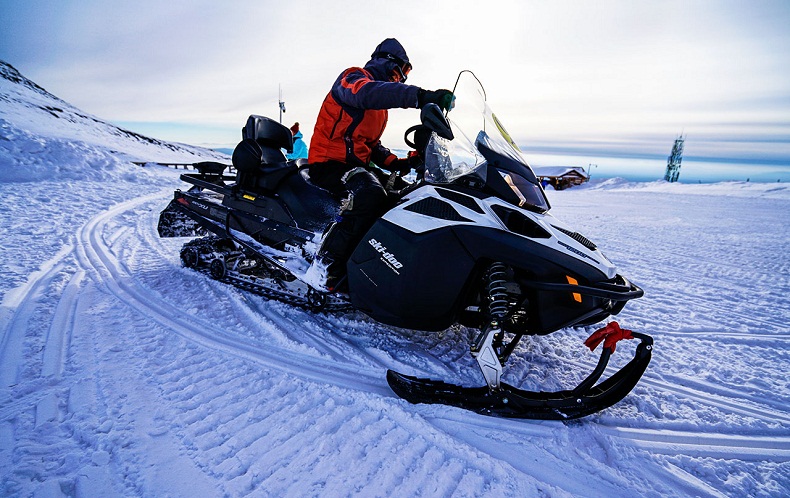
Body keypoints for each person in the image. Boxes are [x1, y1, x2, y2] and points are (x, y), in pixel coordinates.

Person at [307, 38, 454, 291]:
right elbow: (367, 92)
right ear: (386, 62)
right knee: (370, 195)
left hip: (355, 167)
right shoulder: (353, 80)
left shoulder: (378, 106)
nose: (401, 79)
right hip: (329, 163)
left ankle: (378, 264)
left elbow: (371, 145)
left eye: (405, 75)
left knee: (407, 194)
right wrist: (420, 96)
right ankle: (326, 267)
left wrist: (399, 163)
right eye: (400, 71)